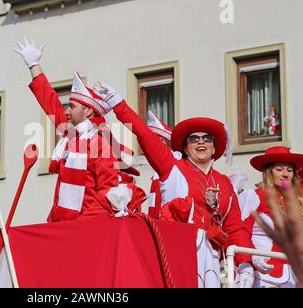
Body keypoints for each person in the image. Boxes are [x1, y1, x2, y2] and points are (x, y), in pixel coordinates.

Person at [91, 82, 255, 288]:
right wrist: (118, 104)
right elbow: (145, 134)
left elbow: (235, 229)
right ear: (185, 148)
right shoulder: (172, 168)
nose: (200, 142)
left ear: (215, 147)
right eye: (193, 139)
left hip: (214, 262)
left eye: (207, 138)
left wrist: (245, 264)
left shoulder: (224, 183)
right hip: (177, 256)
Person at [14, 38, 135, 222]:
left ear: (87, 111)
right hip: (60, 224)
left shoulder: (101, 143)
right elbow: (50, 103)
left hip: (85, 229)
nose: (66, 111)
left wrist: (83, 225)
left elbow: (107, 191)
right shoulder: (71, 134)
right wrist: (34, 66)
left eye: (71, 106)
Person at [239, 146, 303, 287]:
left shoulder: (297, 201)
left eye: (289, 170)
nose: (285, 174)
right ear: (269, 172)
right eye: (279, 169)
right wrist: (251, 259)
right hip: (264, 274)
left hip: (294, 276)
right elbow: (240, 232)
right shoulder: (253, 195)